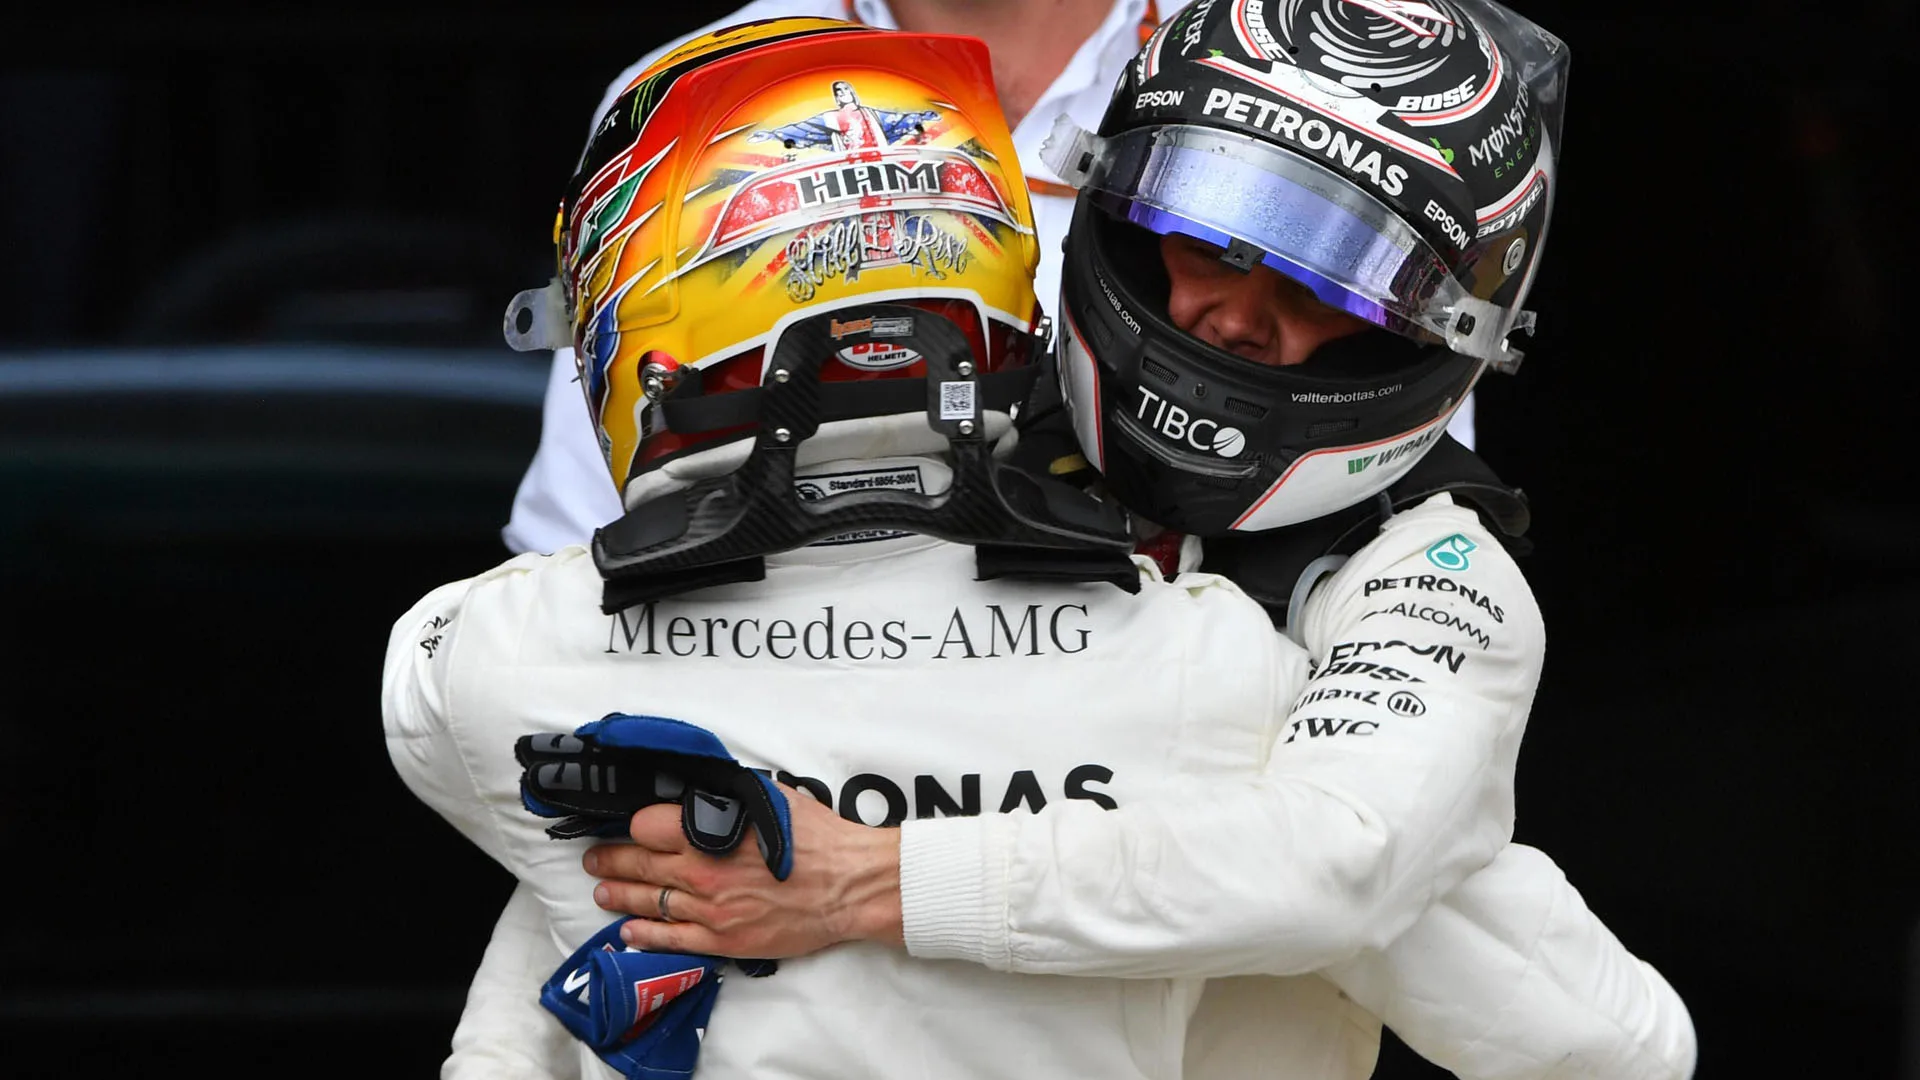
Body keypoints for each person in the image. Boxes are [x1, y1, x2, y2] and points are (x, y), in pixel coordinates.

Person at [421, 8, 1695, 1080]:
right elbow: (626, 807)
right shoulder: (940, 447)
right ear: (1111, 202)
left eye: (1331, 290)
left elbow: (1590, 1031)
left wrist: (874, 876)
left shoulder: (1435, 571)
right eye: (1206, 239)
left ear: (1431, 338)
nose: (1238, 320)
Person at [501, 0, 1485, 557]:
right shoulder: (699, 88)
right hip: (793, 733)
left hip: (1185, 765)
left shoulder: (1318, 73)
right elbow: (579, 547)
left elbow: (1397, 508)